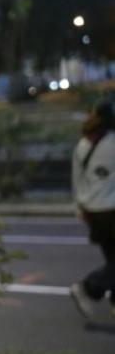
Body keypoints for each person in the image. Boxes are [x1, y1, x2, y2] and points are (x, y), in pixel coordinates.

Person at [69, 98, 115, 319]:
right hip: (111, 209)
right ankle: (87, 288)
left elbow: (77, 180)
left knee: (112, 258)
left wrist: (80, 209)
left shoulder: (83, 144)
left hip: (93, 212)